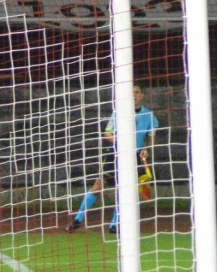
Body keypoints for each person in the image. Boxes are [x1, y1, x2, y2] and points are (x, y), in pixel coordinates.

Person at [65, 84, 159, 234]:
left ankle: (114, 224)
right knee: (98, 185)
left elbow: (151, 138)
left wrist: (146, 149)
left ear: (141, 96)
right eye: (131, 93)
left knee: (124, 190)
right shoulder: (119, 112)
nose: (133, 95)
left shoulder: (149, 116)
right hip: (116, 154)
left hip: (134, 157)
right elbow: (107, 133)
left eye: (136, 92)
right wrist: (120, 141)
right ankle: (77, 219)